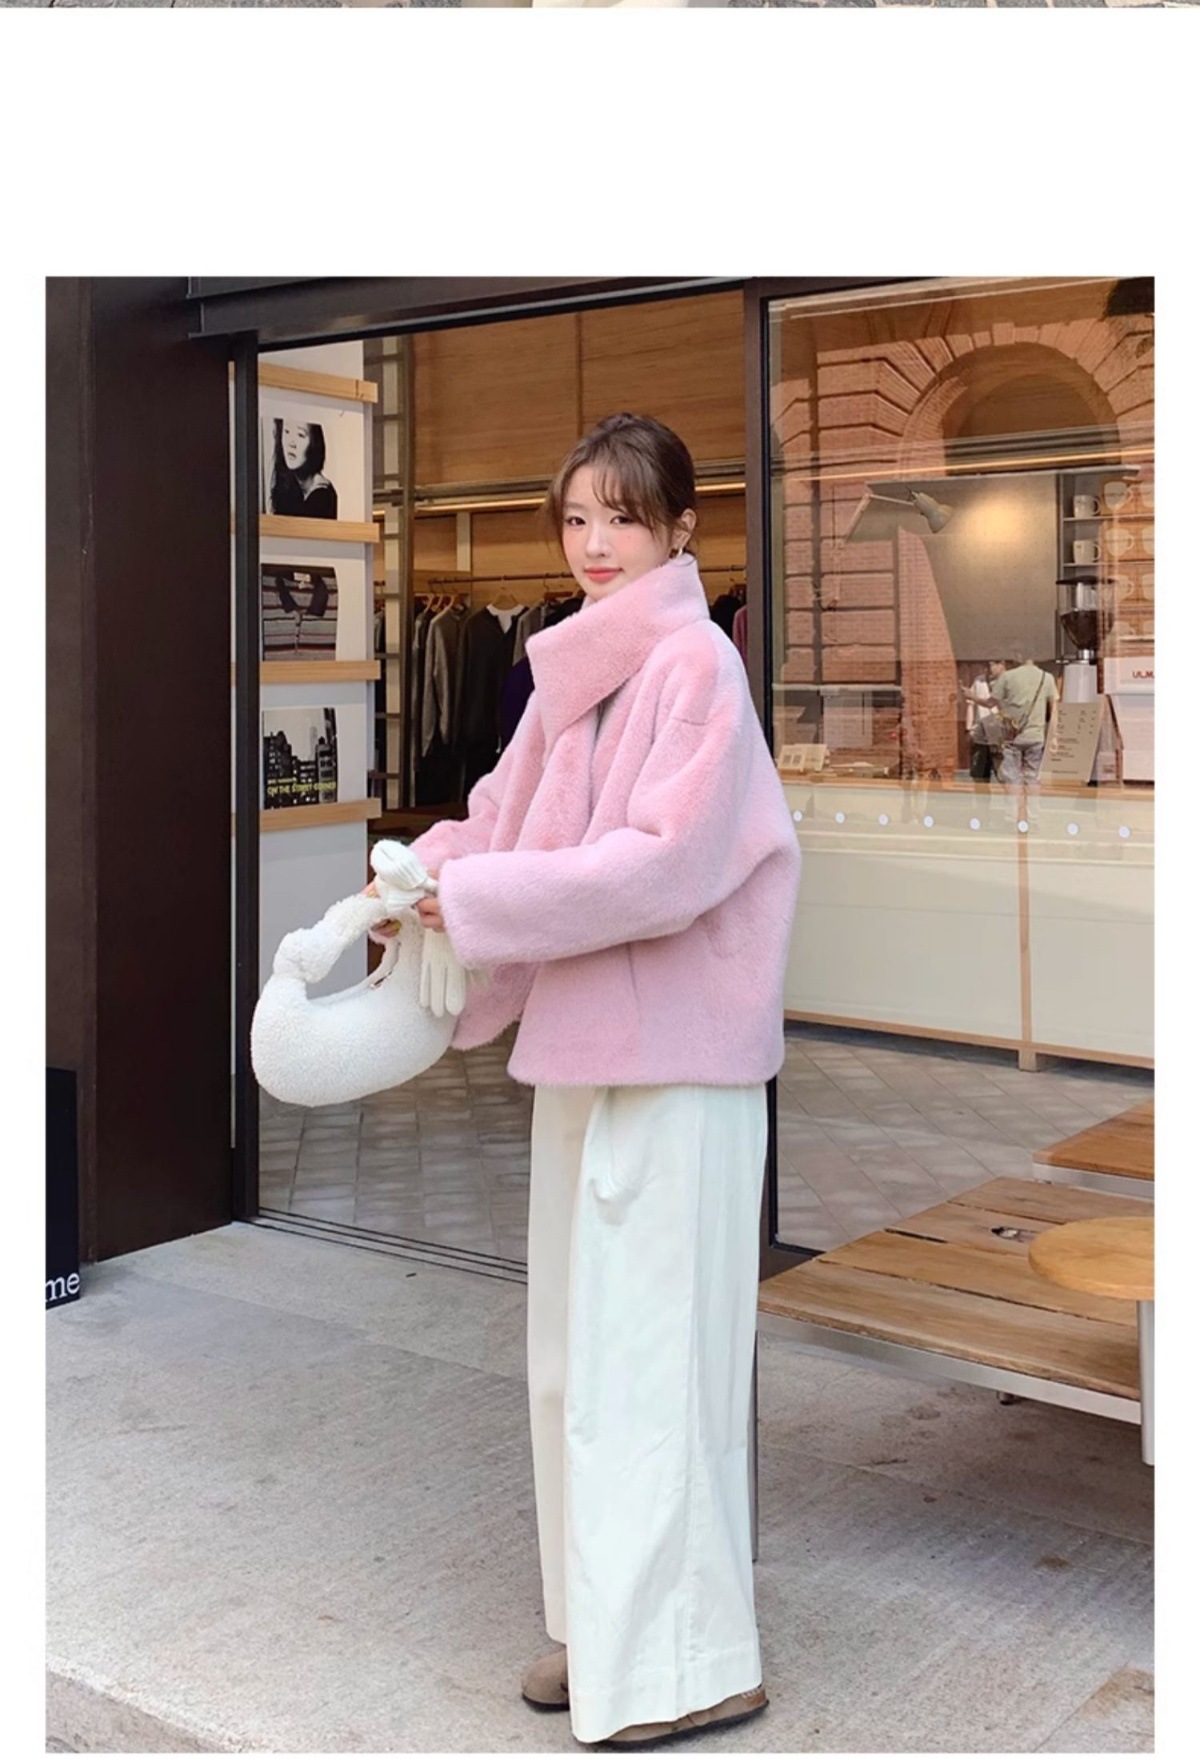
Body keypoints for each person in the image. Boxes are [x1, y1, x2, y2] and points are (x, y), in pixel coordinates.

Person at [366, 413, 800, 1748]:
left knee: (653, 1360)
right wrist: (413, 879)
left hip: (678, 1058)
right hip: (586, 1047)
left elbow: (666, 868)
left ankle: (688, 1660)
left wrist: (472, 897)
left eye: (622, 515)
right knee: (573, 1362)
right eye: (576, 517)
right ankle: (603, 1627)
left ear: (680, 528)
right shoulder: (574, 673)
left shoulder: (697, 664)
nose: (595, 542)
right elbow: (499, 819)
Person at [987, 651, 1059, 787]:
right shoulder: (1047, 677)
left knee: (1011, 778)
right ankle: (1032, 800)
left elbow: (991, 703)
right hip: (1036, 734)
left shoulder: (1007, 676)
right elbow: (1054, 710)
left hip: (1012, 735)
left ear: (1018, 656)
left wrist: (972, 697)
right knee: (1032, 777)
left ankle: (1014, 800)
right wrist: (1054, 737)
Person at [268, 417, 338, 519]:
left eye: (300, 435)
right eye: (286, 431)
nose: (291, 444)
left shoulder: (322, 495)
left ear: (313, 443)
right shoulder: (286, 480)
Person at [960, 660, 1004, 781]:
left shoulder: (1007, 681)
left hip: (1000, 735)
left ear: (1001, 664)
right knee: (979, 775)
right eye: (986, 665)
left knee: (1003, 775)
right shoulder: (979, 681)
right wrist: (968, 729)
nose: (989, 668)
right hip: (980, 734)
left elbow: (991, 703)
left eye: (992, 665)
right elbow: (970, 705)